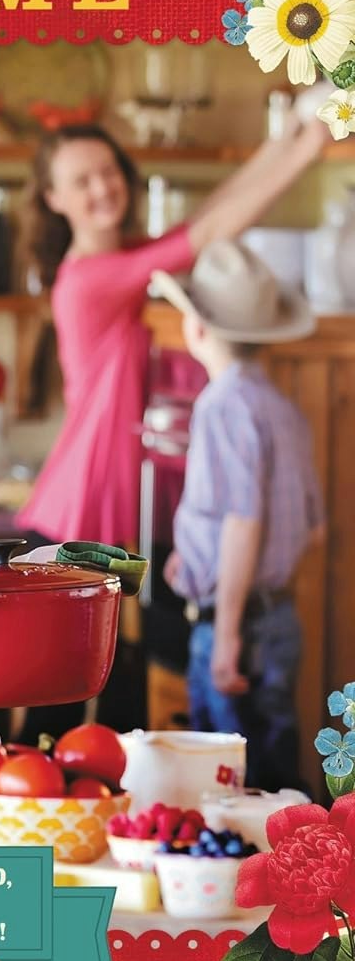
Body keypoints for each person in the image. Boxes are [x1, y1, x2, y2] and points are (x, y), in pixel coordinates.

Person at [13, 115, 326, 737]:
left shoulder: (125, 256)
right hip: (87, 514)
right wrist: (308, 148)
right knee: (64, 703)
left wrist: (279, 139)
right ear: (53, 198)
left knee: (116, 693)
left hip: (121, 511)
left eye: (108, 172)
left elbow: (203, 220)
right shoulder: (89, 279)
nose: (103, 188)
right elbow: (208, 233)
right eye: (81, 181)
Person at [154, 241, 323, 792]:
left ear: (198, 330)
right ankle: (294, 873)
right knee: (273, 768)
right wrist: (196, 557)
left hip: (237, 623)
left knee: (226, 779)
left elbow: (243, 520)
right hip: (279, 618)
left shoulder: (221, 405)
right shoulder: (285, 408)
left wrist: (226, 633)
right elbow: (311, 525)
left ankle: (242, 880)